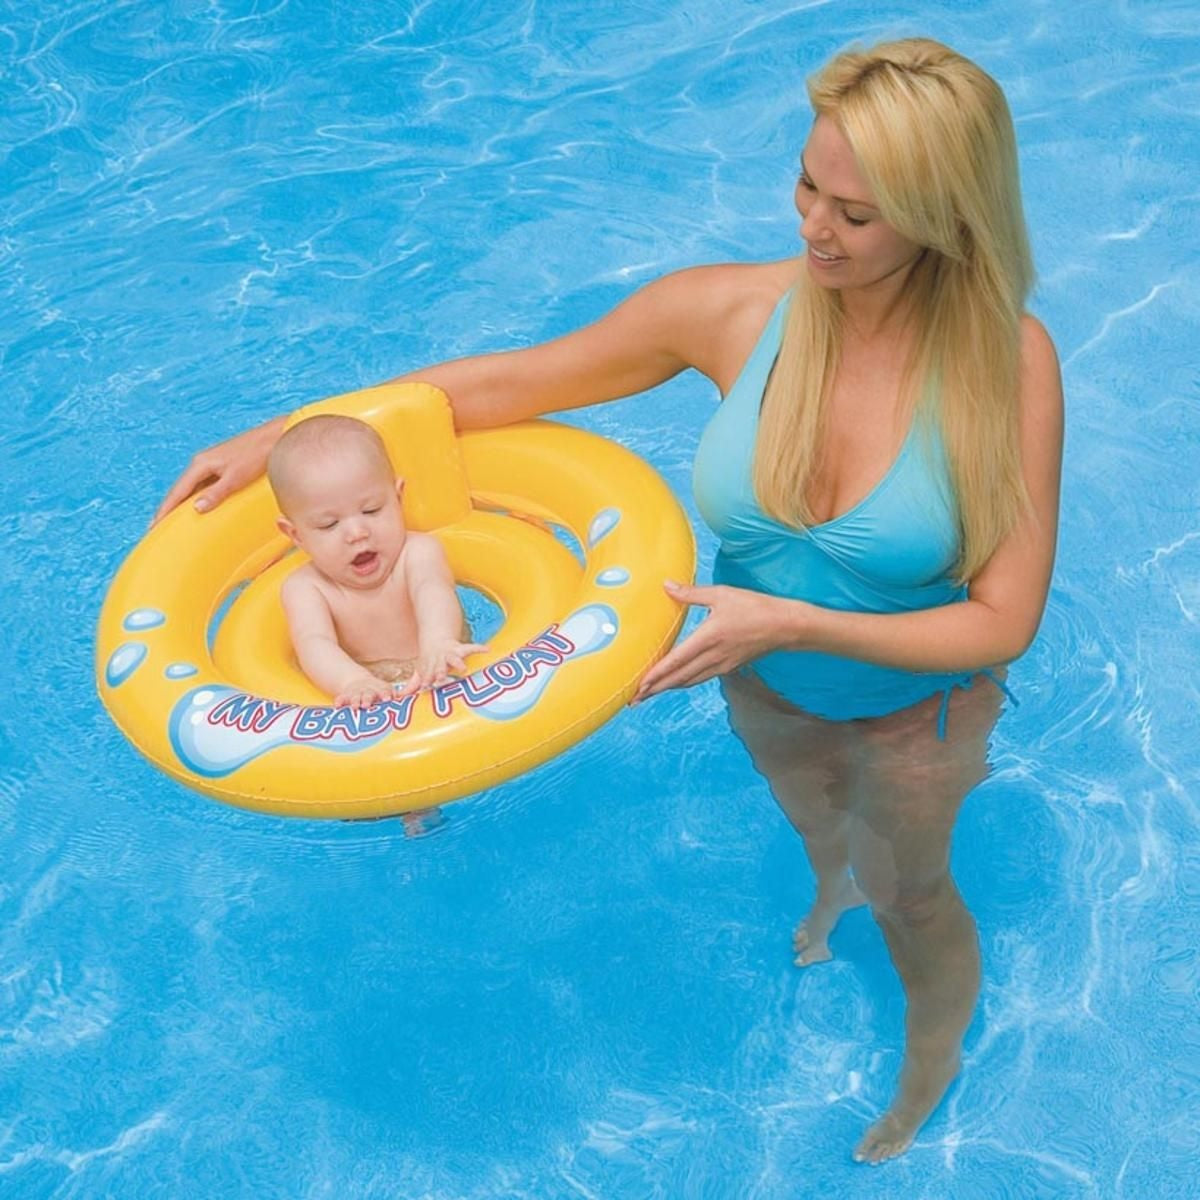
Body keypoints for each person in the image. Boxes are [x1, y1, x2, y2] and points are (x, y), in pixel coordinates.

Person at [154, 38, 1063, 1165]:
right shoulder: (732, 313)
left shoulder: (1006, 361)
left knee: (913, 893)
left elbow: (1003, 616)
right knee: (822, 825)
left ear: (940, 213)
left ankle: (930, 1063)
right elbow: (506, 382)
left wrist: (790, 621)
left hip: (913, 704)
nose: (812, 227)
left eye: (857, 215)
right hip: (755, 669)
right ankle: (829, 892)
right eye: (806, 185)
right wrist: (277, 441)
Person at [267, 413, 485, 708]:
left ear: (398, 498)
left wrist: (438, 643)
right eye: (329, 525)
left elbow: (431, 591)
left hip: (442, 663)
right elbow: (314, 643)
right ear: (296, 535)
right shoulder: (306, 588)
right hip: (369, 680)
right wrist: (352, 681)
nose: (357, 533)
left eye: (371, 510)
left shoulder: (418, 552)